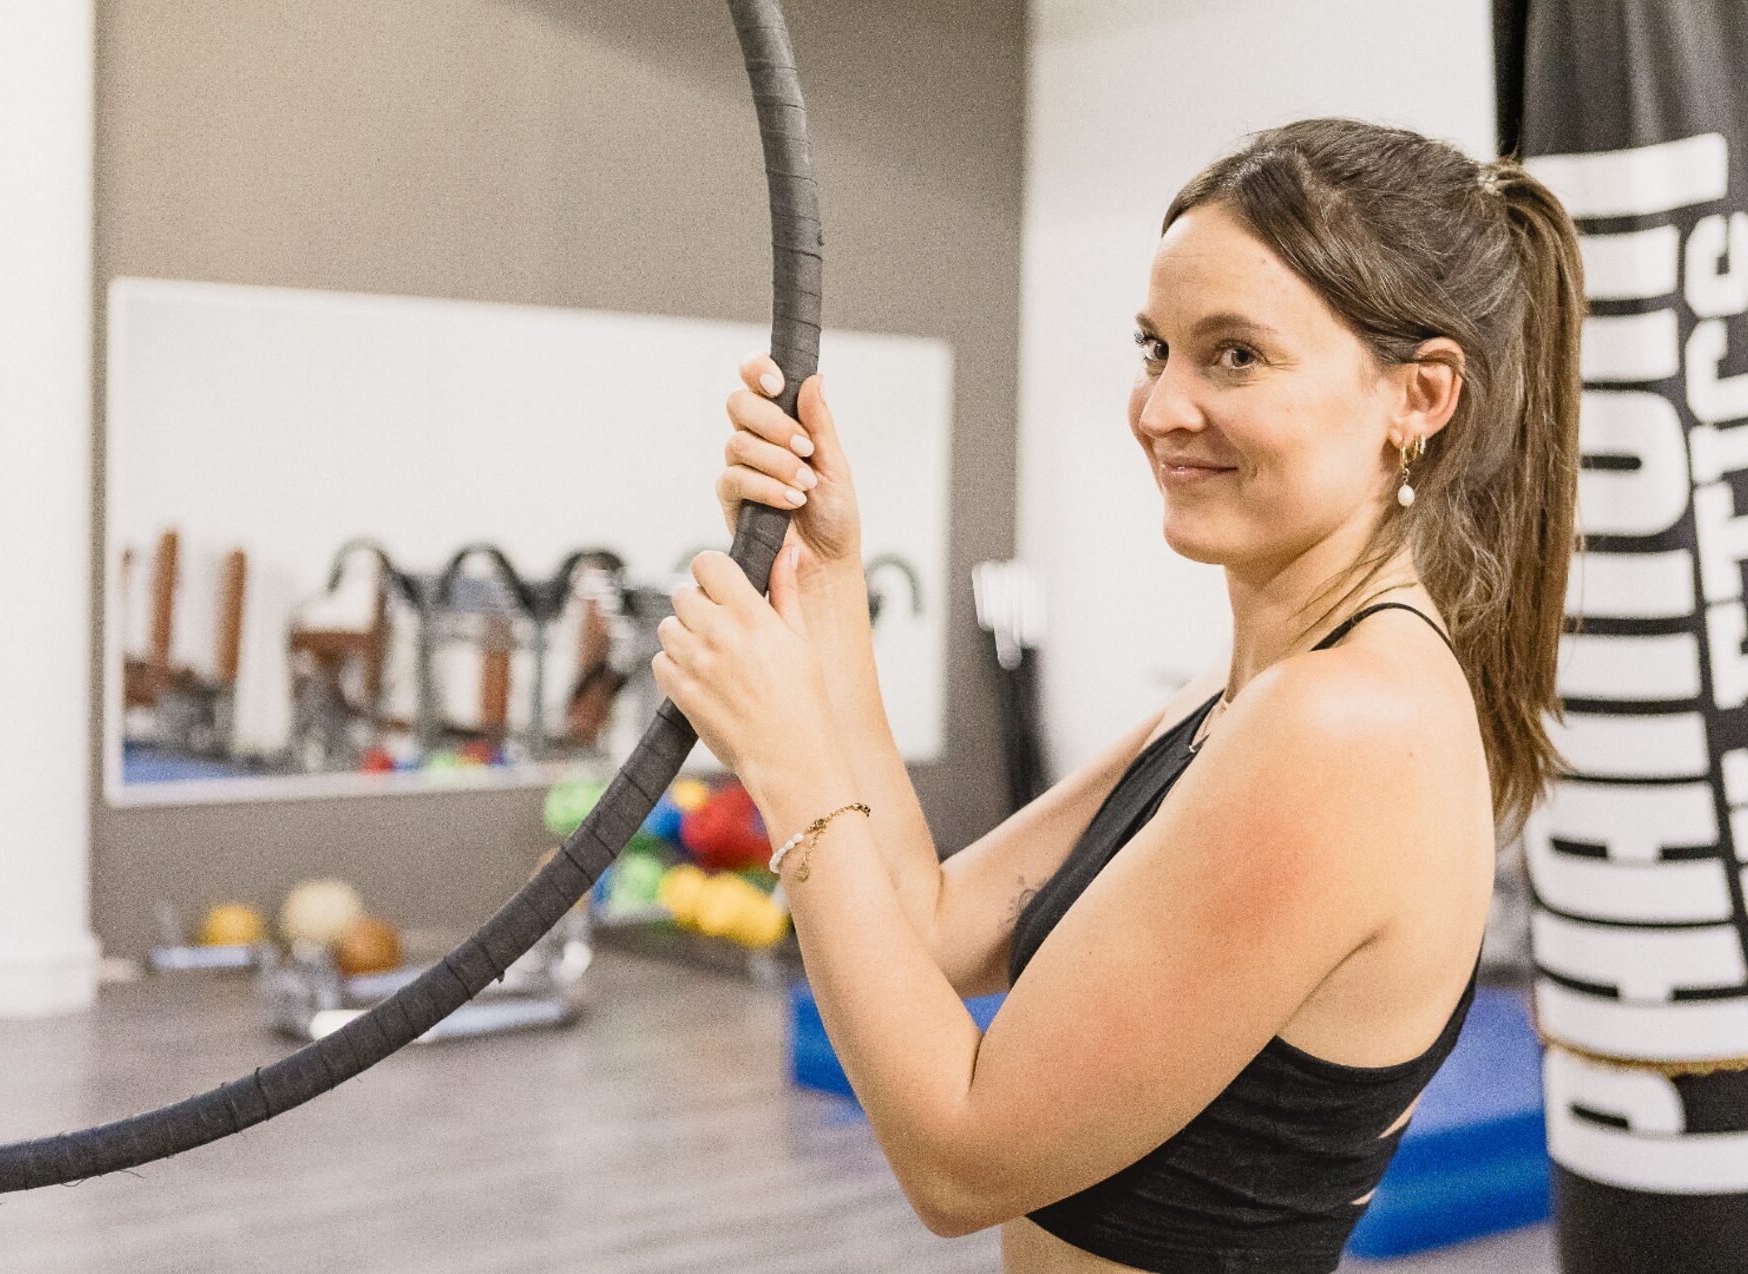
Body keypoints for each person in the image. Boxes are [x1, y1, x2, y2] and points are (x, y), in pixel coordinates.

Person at [654, 115, 1584, 1273]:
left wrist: (787, 765)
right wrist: (828, 579)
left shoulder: (1345, 724)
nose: (1161, 409)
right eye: (1157, 348)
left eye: (1235, 353)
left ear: (1421, 397)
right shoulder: (1259, 687)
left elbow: (959, 1157)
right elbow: (933, 927)